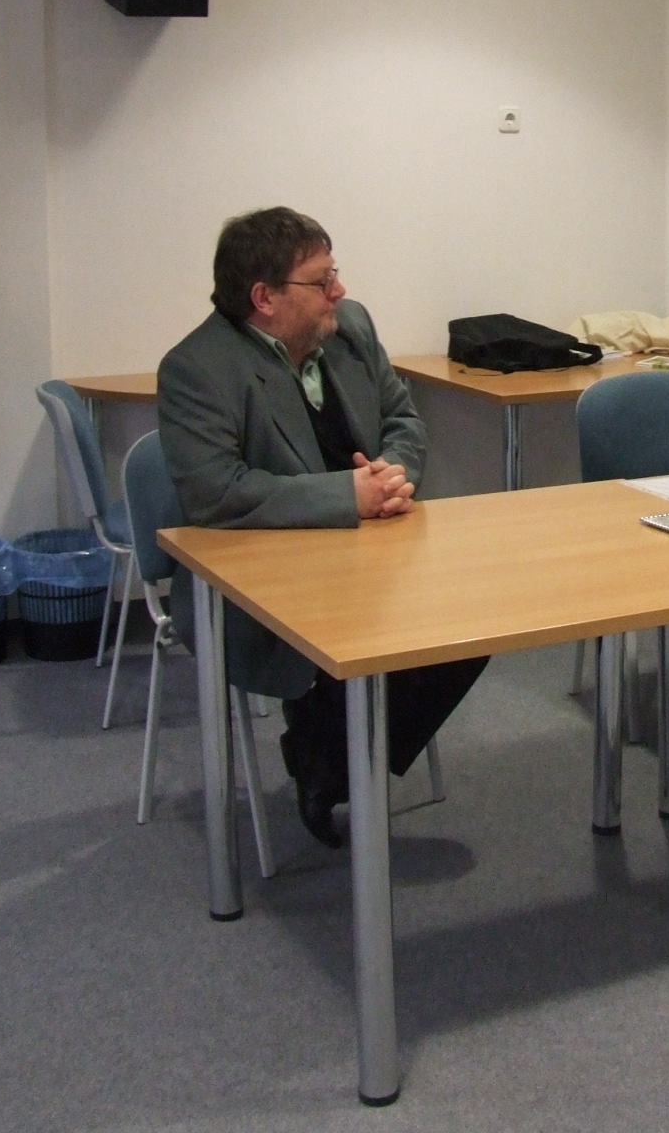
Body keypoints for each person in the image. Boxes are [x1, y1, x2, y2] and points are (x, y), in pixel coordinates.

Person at [158, 206, 486, 848]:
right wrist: (347, 496)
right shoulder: (197, 368)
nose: (340, 290)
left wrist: (393, 474)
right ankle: (332, 753)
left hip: (377, 550)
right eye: (322, 280)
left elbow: (403, 418)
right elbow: (215, 493)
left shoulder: (350, 327)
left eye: (335, 273)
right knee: (356, 641)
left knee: (471, 620)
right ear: (265, 299)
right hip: (264, 576)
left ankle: (324, 758)